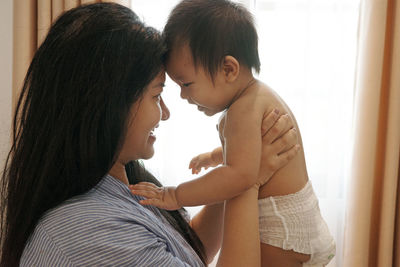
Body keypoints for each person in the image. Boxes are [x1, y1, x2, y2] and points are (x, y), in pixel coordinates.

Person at [0, 3, 300, 266]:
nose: (166, 113)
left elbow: (189, 249)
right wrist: (247, 180)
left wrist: (235, 169)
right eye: (157, 96)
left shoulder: (117, 187)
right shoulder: (88, 231)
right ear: (108, 105)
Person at [129, 0, 336, 266]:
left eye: (186, 83)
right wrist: (217, 156)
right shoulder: (256, 97)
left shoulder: (243, 109)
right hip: (297, 220)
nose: (183, 95)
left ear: (229, 69)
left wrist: (174, 195)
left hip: (280, 230)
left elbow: (239, 176)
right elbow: (249, 152)